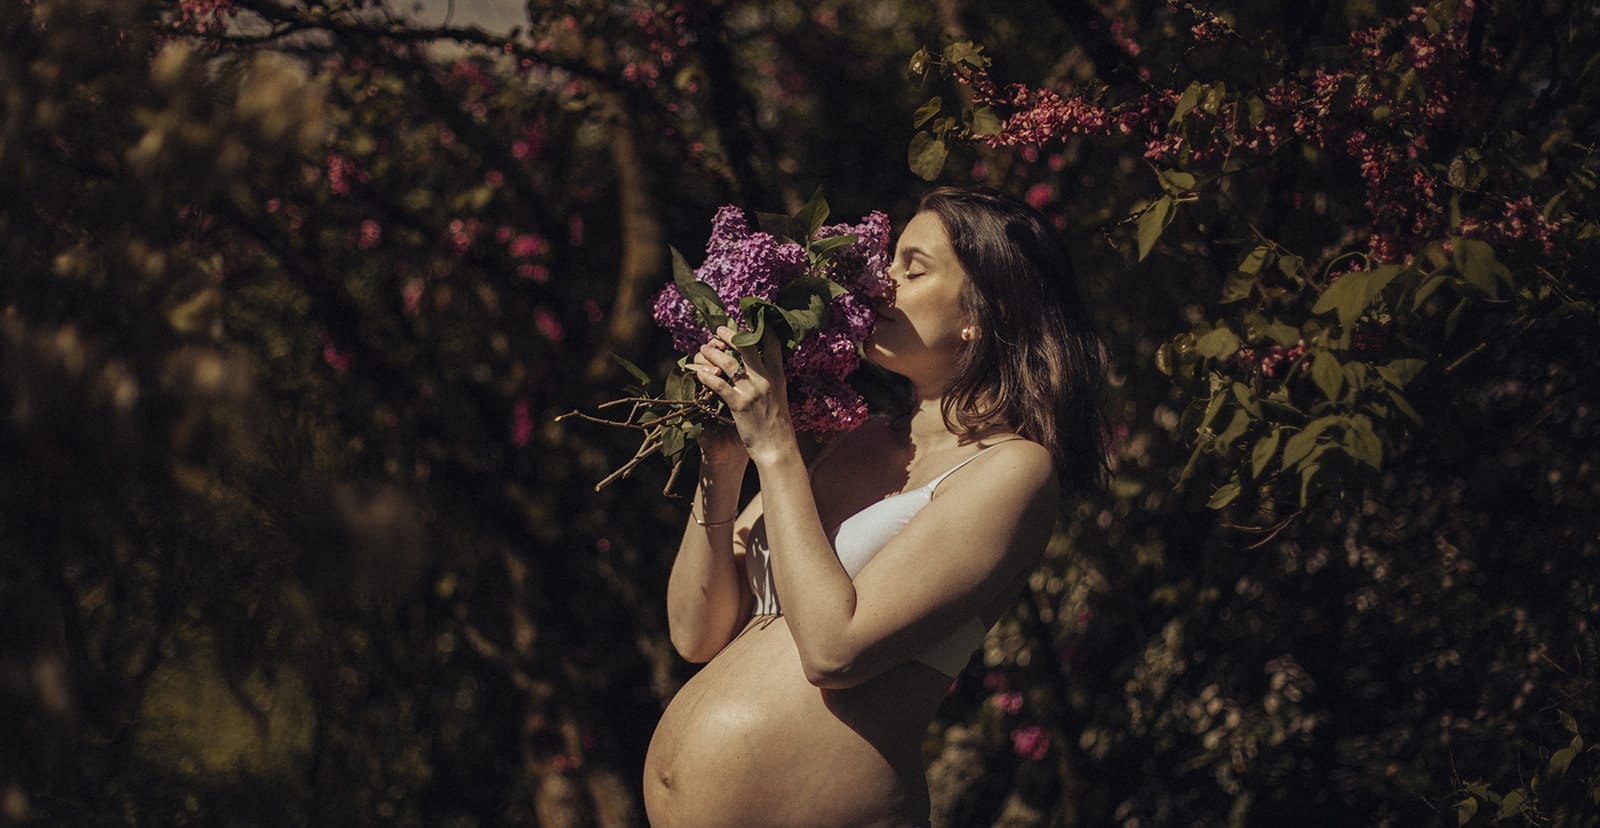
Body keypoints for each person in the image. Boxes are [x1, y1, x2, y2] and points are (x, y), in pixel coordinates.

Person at [642, 187, 1107, 827]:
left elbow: (836, 651)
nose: (879, 281)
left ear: (987, 309)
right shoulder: (857, 438)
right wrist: (722, 468)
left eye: (912, 269)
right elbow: (696, 634)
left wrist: (776, 448)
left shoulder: (1014, 470)